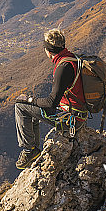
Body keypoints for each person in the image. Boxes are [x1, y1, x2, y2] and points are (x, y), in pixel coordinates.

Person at [13, 28, 88, 169]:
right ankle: (33, 148)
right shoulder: (72, 58)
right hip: (78, 114)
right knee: (32, 110)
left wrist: (29, 99)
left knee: (20, 107)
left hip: (70, 120)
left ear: (48, 50)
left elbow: (51, 103)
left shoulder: (63, 67)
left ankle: (29, 150)